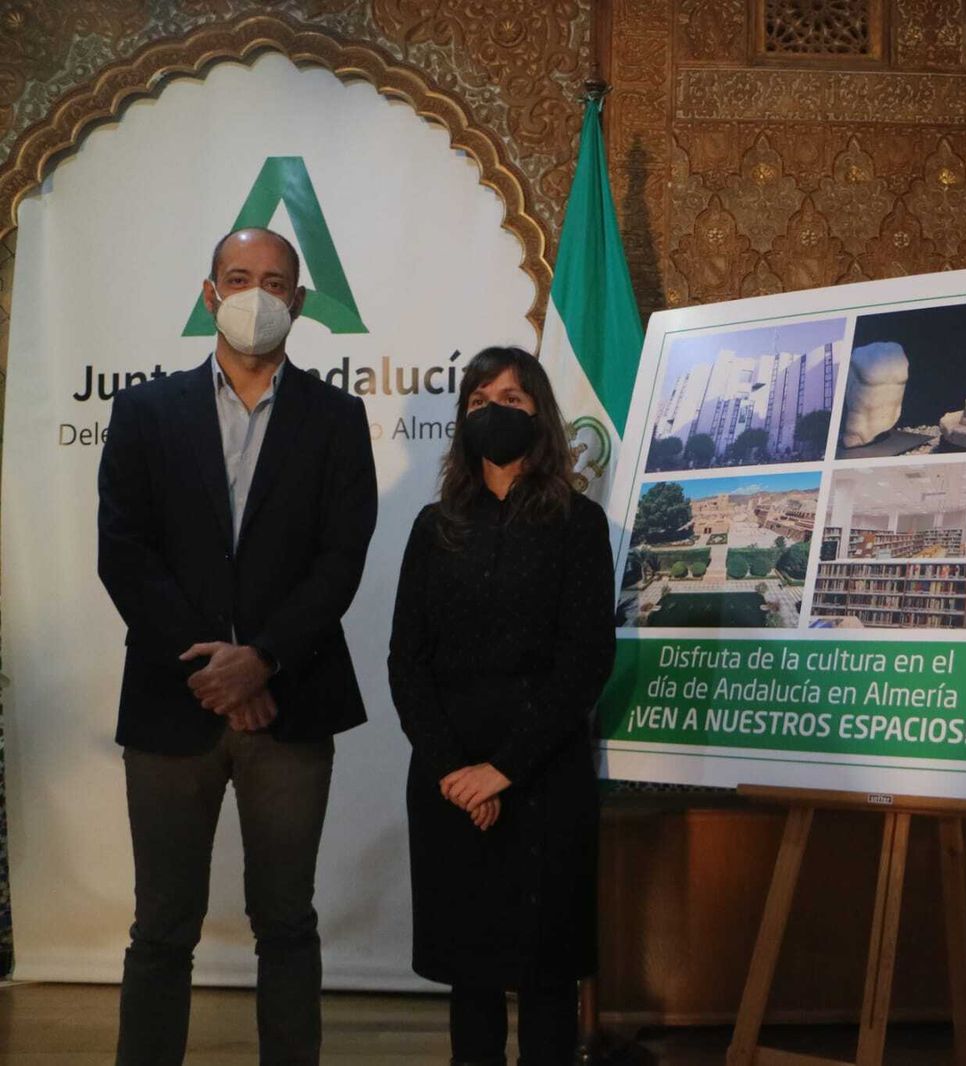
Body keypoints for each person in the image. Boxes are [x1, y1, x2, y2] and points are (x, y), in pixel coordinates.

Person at [98, 227, 379, 1064]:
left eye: (275, 280)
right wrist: (216, 667)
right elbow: (124, 552)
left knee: (287, 923)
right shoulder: (144, 412)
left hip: (290, 705)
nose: (256, 293)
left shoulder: (338, 417)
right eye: (238, 276)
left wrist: (262, 658)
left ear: (297, 299)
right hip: (170, 704)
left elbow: (341, 557)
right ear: (211, 291)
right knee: (161, 929)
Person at [388, 346, 617, 1066]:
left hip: (544, 779)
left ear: (540, 417)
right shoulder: (433, 527)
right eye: (480, 399)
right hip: (448, 779)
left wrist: (502, 772)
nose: (495, 412)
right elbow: (407, 661)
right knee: (471, 976)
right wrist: (456, 771)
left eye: (513, 400)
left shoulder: (580, 526)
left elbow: (586, 663)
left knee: (547, 976)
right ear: (462, 419)